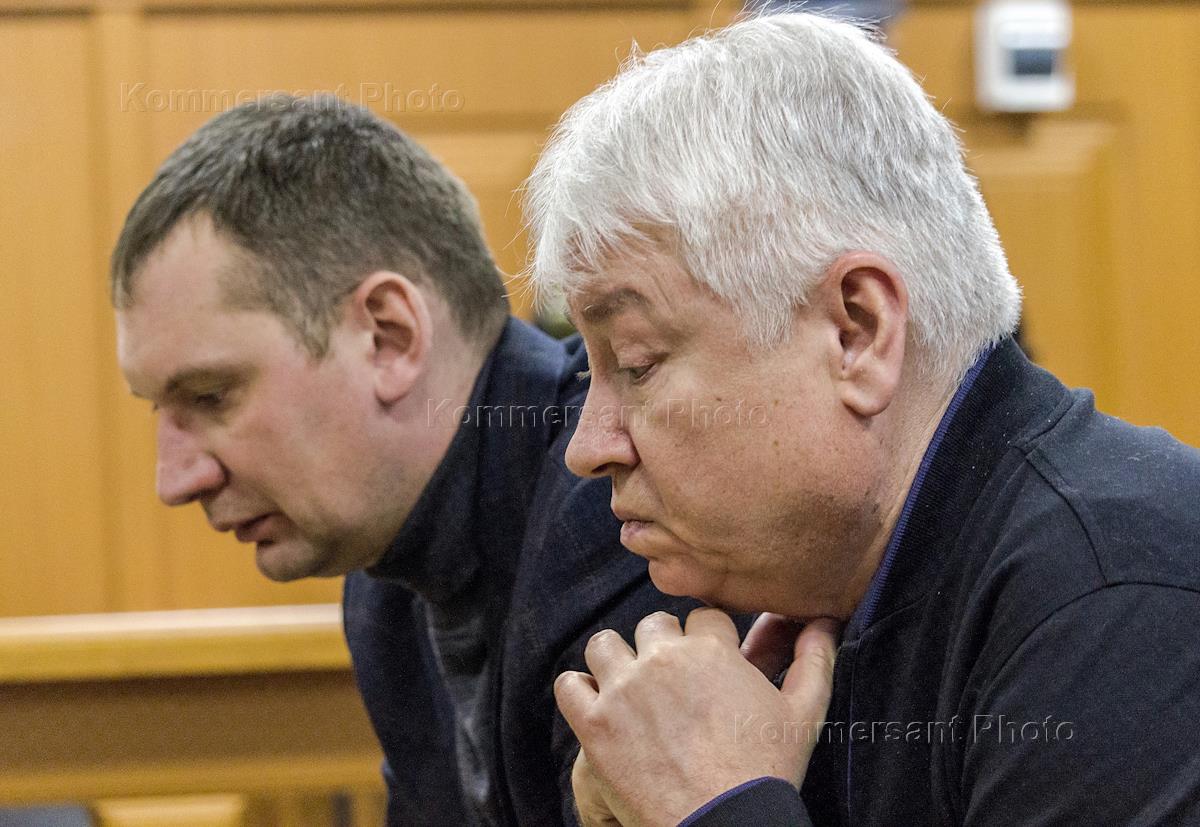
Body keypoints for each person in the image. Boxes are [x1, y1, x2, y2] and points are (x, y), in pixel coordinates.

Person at [523, 11, 1200, 826]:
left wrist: (718, 809)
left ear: (858, 332)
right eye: (591, 371)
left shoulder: (1119, 600)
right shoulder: (796, 597)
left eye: (637, 363)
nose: (587, 446)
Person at [110, 93, 729, 826]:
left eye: (211, 395)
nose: (175, 480)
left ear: (389, 336)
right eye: (160, 409)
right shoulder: (383, 576)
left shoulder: (622, 513)